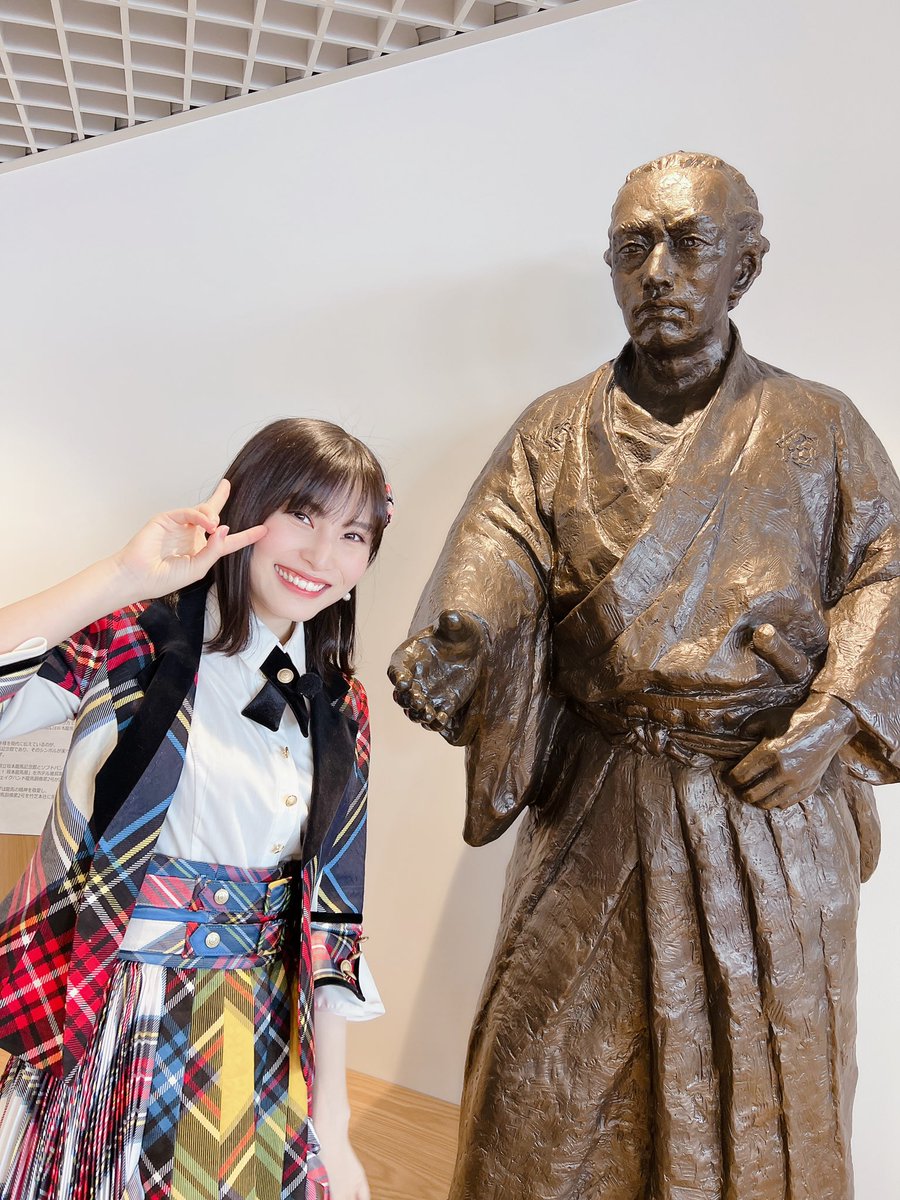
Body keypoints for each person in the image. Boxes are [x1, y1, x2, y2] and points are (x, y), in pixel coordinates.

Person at [389, 152, 900, 1200]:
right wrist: (465, 636)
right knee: (535, 1092)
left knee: (770, 1088)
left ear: (744, 267)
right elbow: (499, 550)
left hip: (766, 803)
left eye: (688, 244)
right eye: (633, 249)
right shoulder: (552, 431)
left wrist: (831, 719)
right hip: (598, 802)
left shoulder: (821, 426)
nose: (657, 272)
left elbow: (889, 573)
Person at [0, 417, 392, 1200]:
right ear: (246, 509)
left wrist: (335, 1119)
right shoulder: (136, 645)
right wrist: (121, 576)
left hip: (264, 1031)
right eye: (303, 516)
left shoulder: (339, 705)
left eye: (353, 535)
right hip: (117, 1013)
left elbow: (334, 921)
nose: (323, 556)